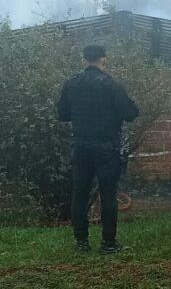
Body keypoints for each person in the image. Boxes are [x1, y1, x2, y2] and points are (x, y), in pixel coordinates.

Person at [58, 44, 139, 253]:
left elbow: (63, 115)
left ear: (84, 60)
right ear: (104, 60)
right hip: (105, 147)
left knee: (80, 193)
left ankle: (81, 242)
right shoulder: (111, 85)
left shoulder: (71, 84)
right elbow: (130, 113)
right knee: (108, 195)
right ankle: (109, 244)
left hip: (81, 146)